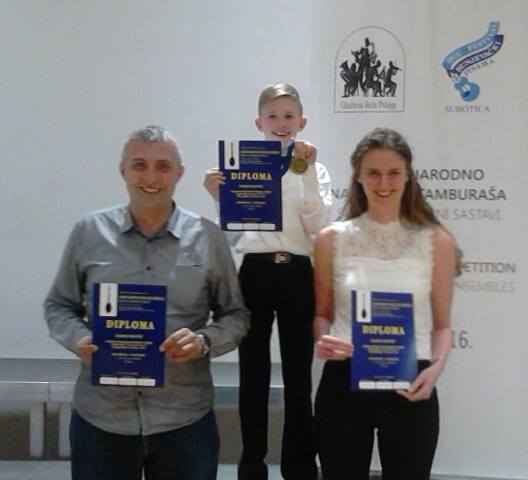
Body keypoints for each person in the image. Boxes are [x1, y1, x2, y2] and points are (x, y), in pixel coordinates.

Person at [44, 125, 250, 480]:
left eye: (163, 166)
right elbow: (59, 305)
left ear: (179, 173)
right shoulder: (89, 232)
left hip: (184, 419)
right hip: (102, 419)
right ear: (122, 170)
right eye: (139, 165)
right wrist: (78, 338)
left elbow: (235, 315)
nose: (151, 177)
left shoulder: (208, 237)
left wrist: (203, 341)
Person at [313, 128, 458, 480]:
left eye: (393, 173)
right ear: (358, 177)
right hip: (344, 383)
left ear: (407, 176)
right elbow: (322, 314)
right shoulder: (330, 240)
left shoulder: (436, 241)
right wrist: (322, 339)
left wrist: (435, 368)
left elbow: (442, 326)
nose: (383, 183)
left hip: (412, 384)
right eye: (373, 173)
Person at [203, 83, 331, 480]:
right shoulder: (240, 166)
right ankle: (252, 463)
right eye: (272, 116)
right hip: (255, 272)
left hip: (298, 272)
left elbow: (318, 227)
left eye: (288, 115)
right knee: (253, 373)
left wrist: (305, 174)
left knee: (298, 374)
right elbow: (233, 237)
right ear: (258, 122)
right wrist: (219, 197)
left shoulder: (315, 169)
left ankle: (300, 465)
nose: (281, 123)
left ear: (302, 122)